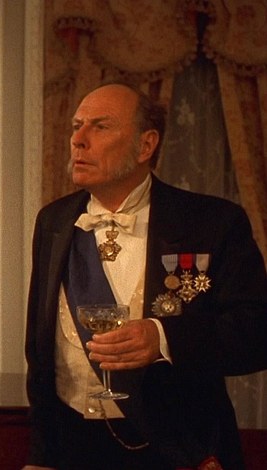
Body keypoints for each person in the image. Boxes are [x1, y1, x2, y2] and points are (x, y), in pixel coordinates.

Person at [23, 82, 267, 470]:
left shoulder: (213, 223)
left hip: (176, 449)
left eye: (100, 126)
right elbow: (40, 351)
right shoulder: (53, 221)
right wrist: (41, 456)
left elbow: (256, 333)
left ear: (145, 145)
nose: (78, 140)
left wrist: (163, 338)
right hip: (72, 449)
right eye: (76, 126)